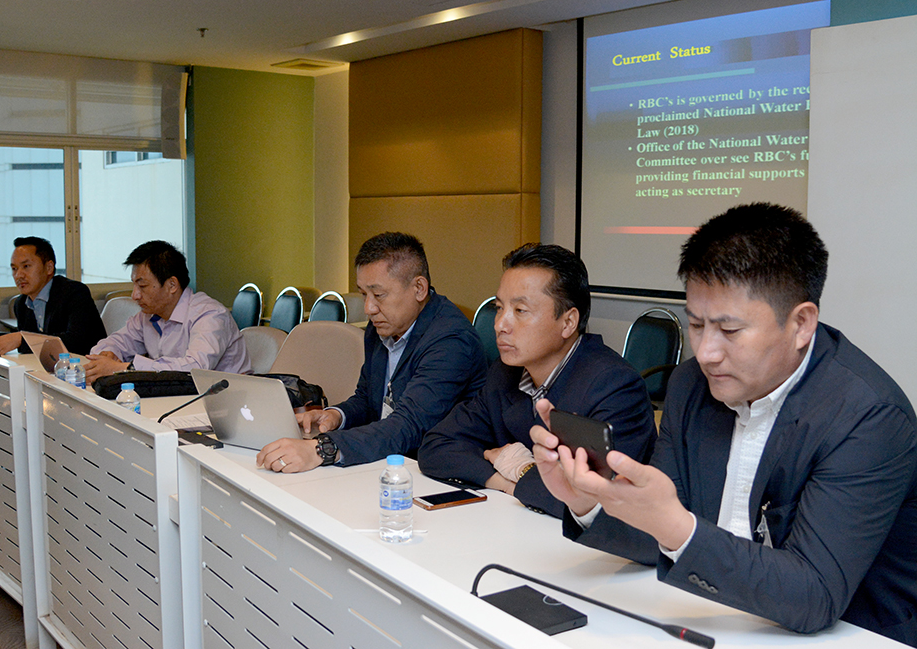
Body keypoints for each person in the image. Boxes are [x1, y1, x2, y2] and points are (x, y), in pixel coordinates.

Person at [531, 203, 917, 645]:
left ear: (801, 324)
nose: (707, 352)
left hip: (853, 634)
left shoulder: (868, 416)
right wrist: (588, 501)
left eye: (729, 331)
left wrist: (676, 527)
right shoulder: (691, 385)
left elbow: (814, 594)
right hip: (718, 614)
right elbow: (662, 530)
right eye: (696, 325)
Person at [418, 243, 656, 517]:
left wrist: (523, 469)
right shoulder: (504, 373)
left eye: (520, 311)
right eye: (499, 308)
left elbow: (600, 501)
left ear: (568, 322)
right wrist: (503, 482)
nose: (500, 324)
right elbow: (437, 445)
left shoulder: (615, 387)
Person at [256, 232, 488, 473]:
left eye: (378, 295)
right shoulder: (382, 327)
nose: (369, 308)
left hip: (434, 472)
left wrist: (321, 449)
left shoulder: (451, 341)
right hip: (388, 462)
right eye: (363, 294)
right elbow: (368, 399)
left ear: (419, 288)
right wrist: (336, 415)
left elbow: (409, 425)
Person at [84, 240, 251, 384]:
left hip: (225, 401)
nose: (135, 295)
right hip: (175, 397)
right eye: (134, 285)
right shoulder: (148, 315)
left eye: (142, 286)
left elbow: (194, 369)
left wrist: (126, 368)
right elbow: (114, 342)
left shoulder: (210, 314)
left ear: (172, 285)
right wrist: (107, 355)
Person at [0, 236, 106, 355]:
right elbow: (31, 352)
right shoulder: (21, 304)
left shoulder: (75, 293)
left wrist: (23, 339)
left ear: (49, 268)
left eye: (26, 266)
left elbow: (76, 342)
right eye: (14, 269)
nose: (18, 275)